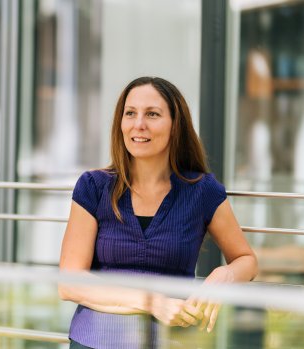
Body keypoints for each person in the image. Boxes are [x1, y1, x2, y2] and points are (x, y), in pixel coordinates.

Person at [59, 76, 258, 349]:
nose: (139, 124)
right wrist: (152, 302)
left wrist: (223, 276)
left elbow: (246, 260)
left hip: (170, 342)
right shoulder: (93, 187)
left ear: (176, 126)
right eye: (130, 113)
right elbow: (69, 283)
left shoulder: (202, 191)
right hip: (95, 341)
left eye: (152, 114)